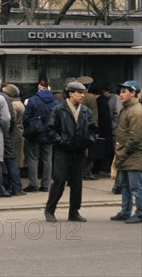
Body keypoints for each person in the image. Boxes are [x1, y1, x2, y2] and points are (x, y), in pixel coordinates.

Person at [45, 81, 98, 223]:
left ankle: (74, 212)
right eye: (79, 92)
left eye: (83, 92)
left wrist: (89, 140)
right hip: (63, 151)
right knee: (59, 181)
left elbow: (93, 129)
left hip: (79, 151)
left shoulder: (86, 111)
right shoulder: (58, 110)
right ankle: (50, 210)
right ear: (70, 93)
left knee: (76, 183)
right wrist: (62, 141)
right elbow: (50, 130)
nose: (82, 95)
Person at [110, 81, 142, 224]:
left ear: (133, 93)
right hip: (125, 155)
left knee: (136, 187)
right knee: (125, 186)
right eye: (120, 91)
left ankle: (140, 213)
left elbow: (135, 137)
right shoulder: (127, 109)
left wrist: (121, 153)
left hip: (133, 156)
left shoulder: (136, 111)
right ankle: (125, 212)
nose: (120, 94)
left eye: (124, 92)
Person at [22, 78, 59, 193]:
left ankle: (33, 184)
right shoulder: (56, 102)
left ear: (39, 88)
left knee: (33, 159)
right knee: (47, 159)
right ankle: (46, 184)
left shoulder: (33, 100)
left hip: (34, 133)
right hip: (49, 134)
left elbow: (25, 118)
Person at [4, 84, 25, 169]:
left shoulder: (13, 105)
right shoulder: (19, 103)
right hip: (19, 132)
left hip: (14, 133)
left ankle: (14, 179)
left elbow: (12, 120)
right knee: (18, 157)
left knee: (14, 158)